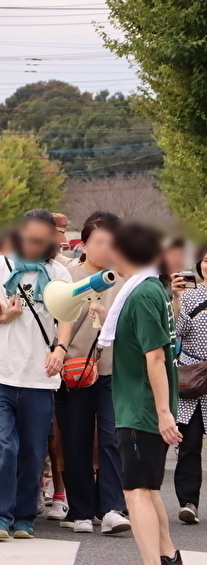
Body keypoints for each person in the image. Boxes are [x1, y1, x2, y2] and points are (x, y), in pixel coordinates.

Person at [0, 208, 73, 540]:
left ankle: (25, 516)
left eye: (41, 242)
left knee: (32, 449)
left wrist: (60, 350)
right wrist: (3, 318)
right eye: (29, 239)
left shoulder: (59, 274)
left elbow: (66, 319)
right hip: (0, 372)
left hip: (39, 376)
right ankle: (0, 515)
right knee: (3, 444)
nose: (33, 246)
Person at [99, 222, 181, 565]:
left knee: (135, 493)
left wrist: (162, 412)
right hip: (142, 405)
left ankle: (153, 561)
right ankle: (168, 557)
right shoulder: (149, 290)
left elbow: (157, 355)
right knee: (147, 490)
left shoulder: (143, 292)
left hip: (142, 407)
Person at [54, 213, 130, 535]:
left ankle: (112, 507)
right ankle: (81, 509)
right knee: (75, 439)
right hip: (75, 371)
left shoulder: (125, 280)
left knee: (113, 437)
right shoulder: (67, 278)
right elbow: (58, 321)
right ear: (83, 245)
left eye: (112, 243)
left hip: (113, 369)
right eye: (99, 242)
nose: (106, 248)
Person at [174, 244, 207, 525]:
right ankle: (188, 502)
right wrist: (177, 299)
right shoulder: (188, 296)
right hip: (193, 376)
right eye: (206, 261)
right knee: (190, 444)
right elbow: (178, 332)